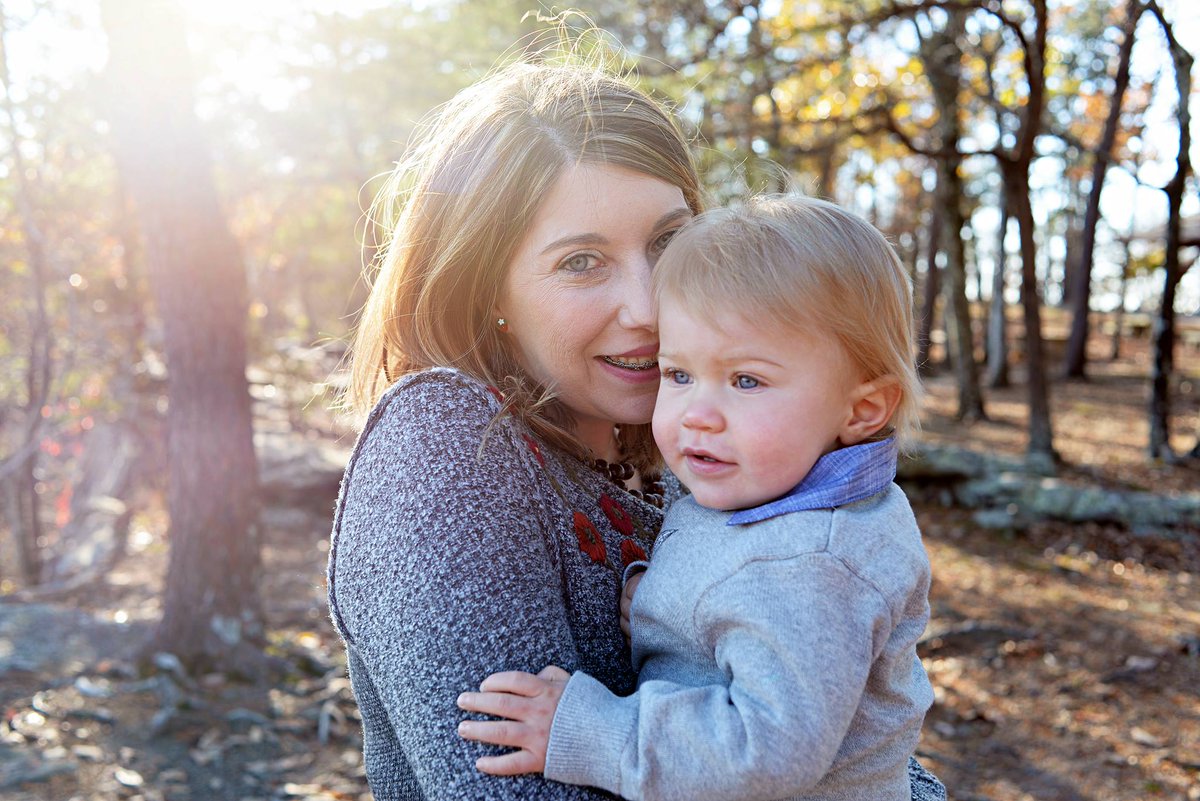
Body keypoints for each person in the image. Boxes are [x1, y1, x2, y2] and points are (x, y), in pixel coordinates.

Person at [326, 54, 946, 799]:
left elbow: (859, 738)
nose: (650, 307)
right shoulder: (446, 445)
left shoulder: (700, 464)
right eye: (582, 261)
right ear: (486, 287)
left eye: (665, 242)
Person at [456, 195, 939, 801]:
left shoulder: (811, 564)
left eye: (746, 381)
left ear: (862, 409)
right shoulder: (771, 493)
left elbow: (765, 752)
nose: (698, 416)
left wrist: (589, 731)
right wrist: (667, 602)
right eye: (679, 374)